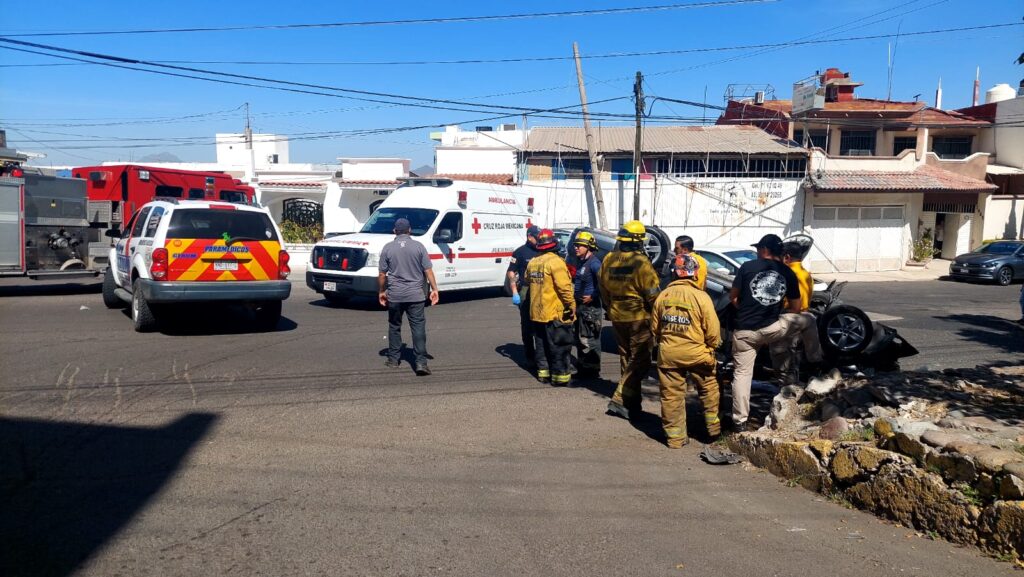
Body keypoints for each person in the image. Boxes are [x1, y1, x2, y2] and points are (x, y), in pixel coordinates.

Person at [729, 234, 801, 430]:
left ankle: (739, 421)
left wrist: (745, 310)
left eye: (759, 248)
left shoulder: (747, 268)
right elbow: (796, 307)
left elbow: (733, 298)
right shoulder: (787, 272)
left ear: (764, 250)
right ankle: (815, 357)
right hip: (771, 330)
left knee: (742, 375)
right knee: (808, 320)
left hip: (744, 331)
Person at [652, 254, 722, 447]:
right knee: (708, 388)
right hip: (697, 354)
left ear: (674, 274)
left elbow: (655, 329)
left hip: (669, 355)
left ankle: (675, 438)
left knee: (671, 396)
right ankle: (713, 431)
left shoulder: (662, 296)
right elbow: (713, 331)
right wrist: (711, 348)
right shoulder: (702, 297)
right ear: (695, 274)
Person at [599, 220, 661, 420]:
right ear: (638, 241)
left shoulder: (608, 258)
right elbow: (652, 294)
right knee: (641, 360)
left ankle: (631, 404)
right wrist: (659, 316)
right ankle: (619, 399)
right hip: (638, 316)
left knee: (627, 359)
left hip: (617, 314)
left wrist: (610, 307)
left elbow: (603, 288)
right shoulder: (641, 262)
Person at [378, 217, 439, 376]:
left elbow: (382, 274)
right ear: (409, 230)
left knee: (394, 326)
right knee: (418, 327)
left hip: (396, 295)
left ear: (394, 231)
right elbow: (428, 271)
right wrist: (434, 289)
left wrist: (382, 291)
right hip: (416, 295)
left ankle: (393, 360)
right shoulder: (419, 247)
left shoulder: (388, 248)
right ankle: (420, 363)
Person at [769, 241, 825, 383]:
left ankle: (788, 390)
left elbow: (786, 300)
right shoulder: (806, 273)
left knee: (783, 357)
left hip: (789, 318)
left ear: (786, 257)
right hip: (804, 319)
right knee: (795, 356)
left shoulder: (788, 274)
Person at [526, 229, 576, 385]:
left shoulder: (533, 262)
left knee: (540, 346)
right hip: (553, 312)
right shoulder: (556, 262)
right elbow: (564, 288)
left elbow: (527, 279)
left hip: (536, 312)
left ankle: (543, 374)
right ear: (554, 244)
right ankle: (560, 378)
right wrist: (571, 304)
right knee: (558, 345)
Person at [508, 226, 541, 366]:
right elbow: (511, 272)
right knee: (527, 326)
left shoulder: (543, 251)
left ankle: (542, 357)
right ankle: (530, 356)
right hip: (526, 291)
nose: (539, 239)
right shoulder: (520, 252)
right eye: (537, 237)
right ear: (529, 237)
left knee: (540, 325)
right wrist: (515, 292)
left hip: (541, 290)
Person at [571, 231, 603, 377]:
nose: (576, 248)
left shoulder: (595, 263)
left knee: (590, 339)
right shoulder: (582, 262)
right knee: (580, 338)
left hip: (590, 309)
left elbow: (604, 282)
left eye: (580, 245)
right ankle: (583, 367)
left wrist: (593, 296)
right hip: (580, 307)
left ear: (589, 247)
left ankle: (592, 370)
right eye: (576, 245)